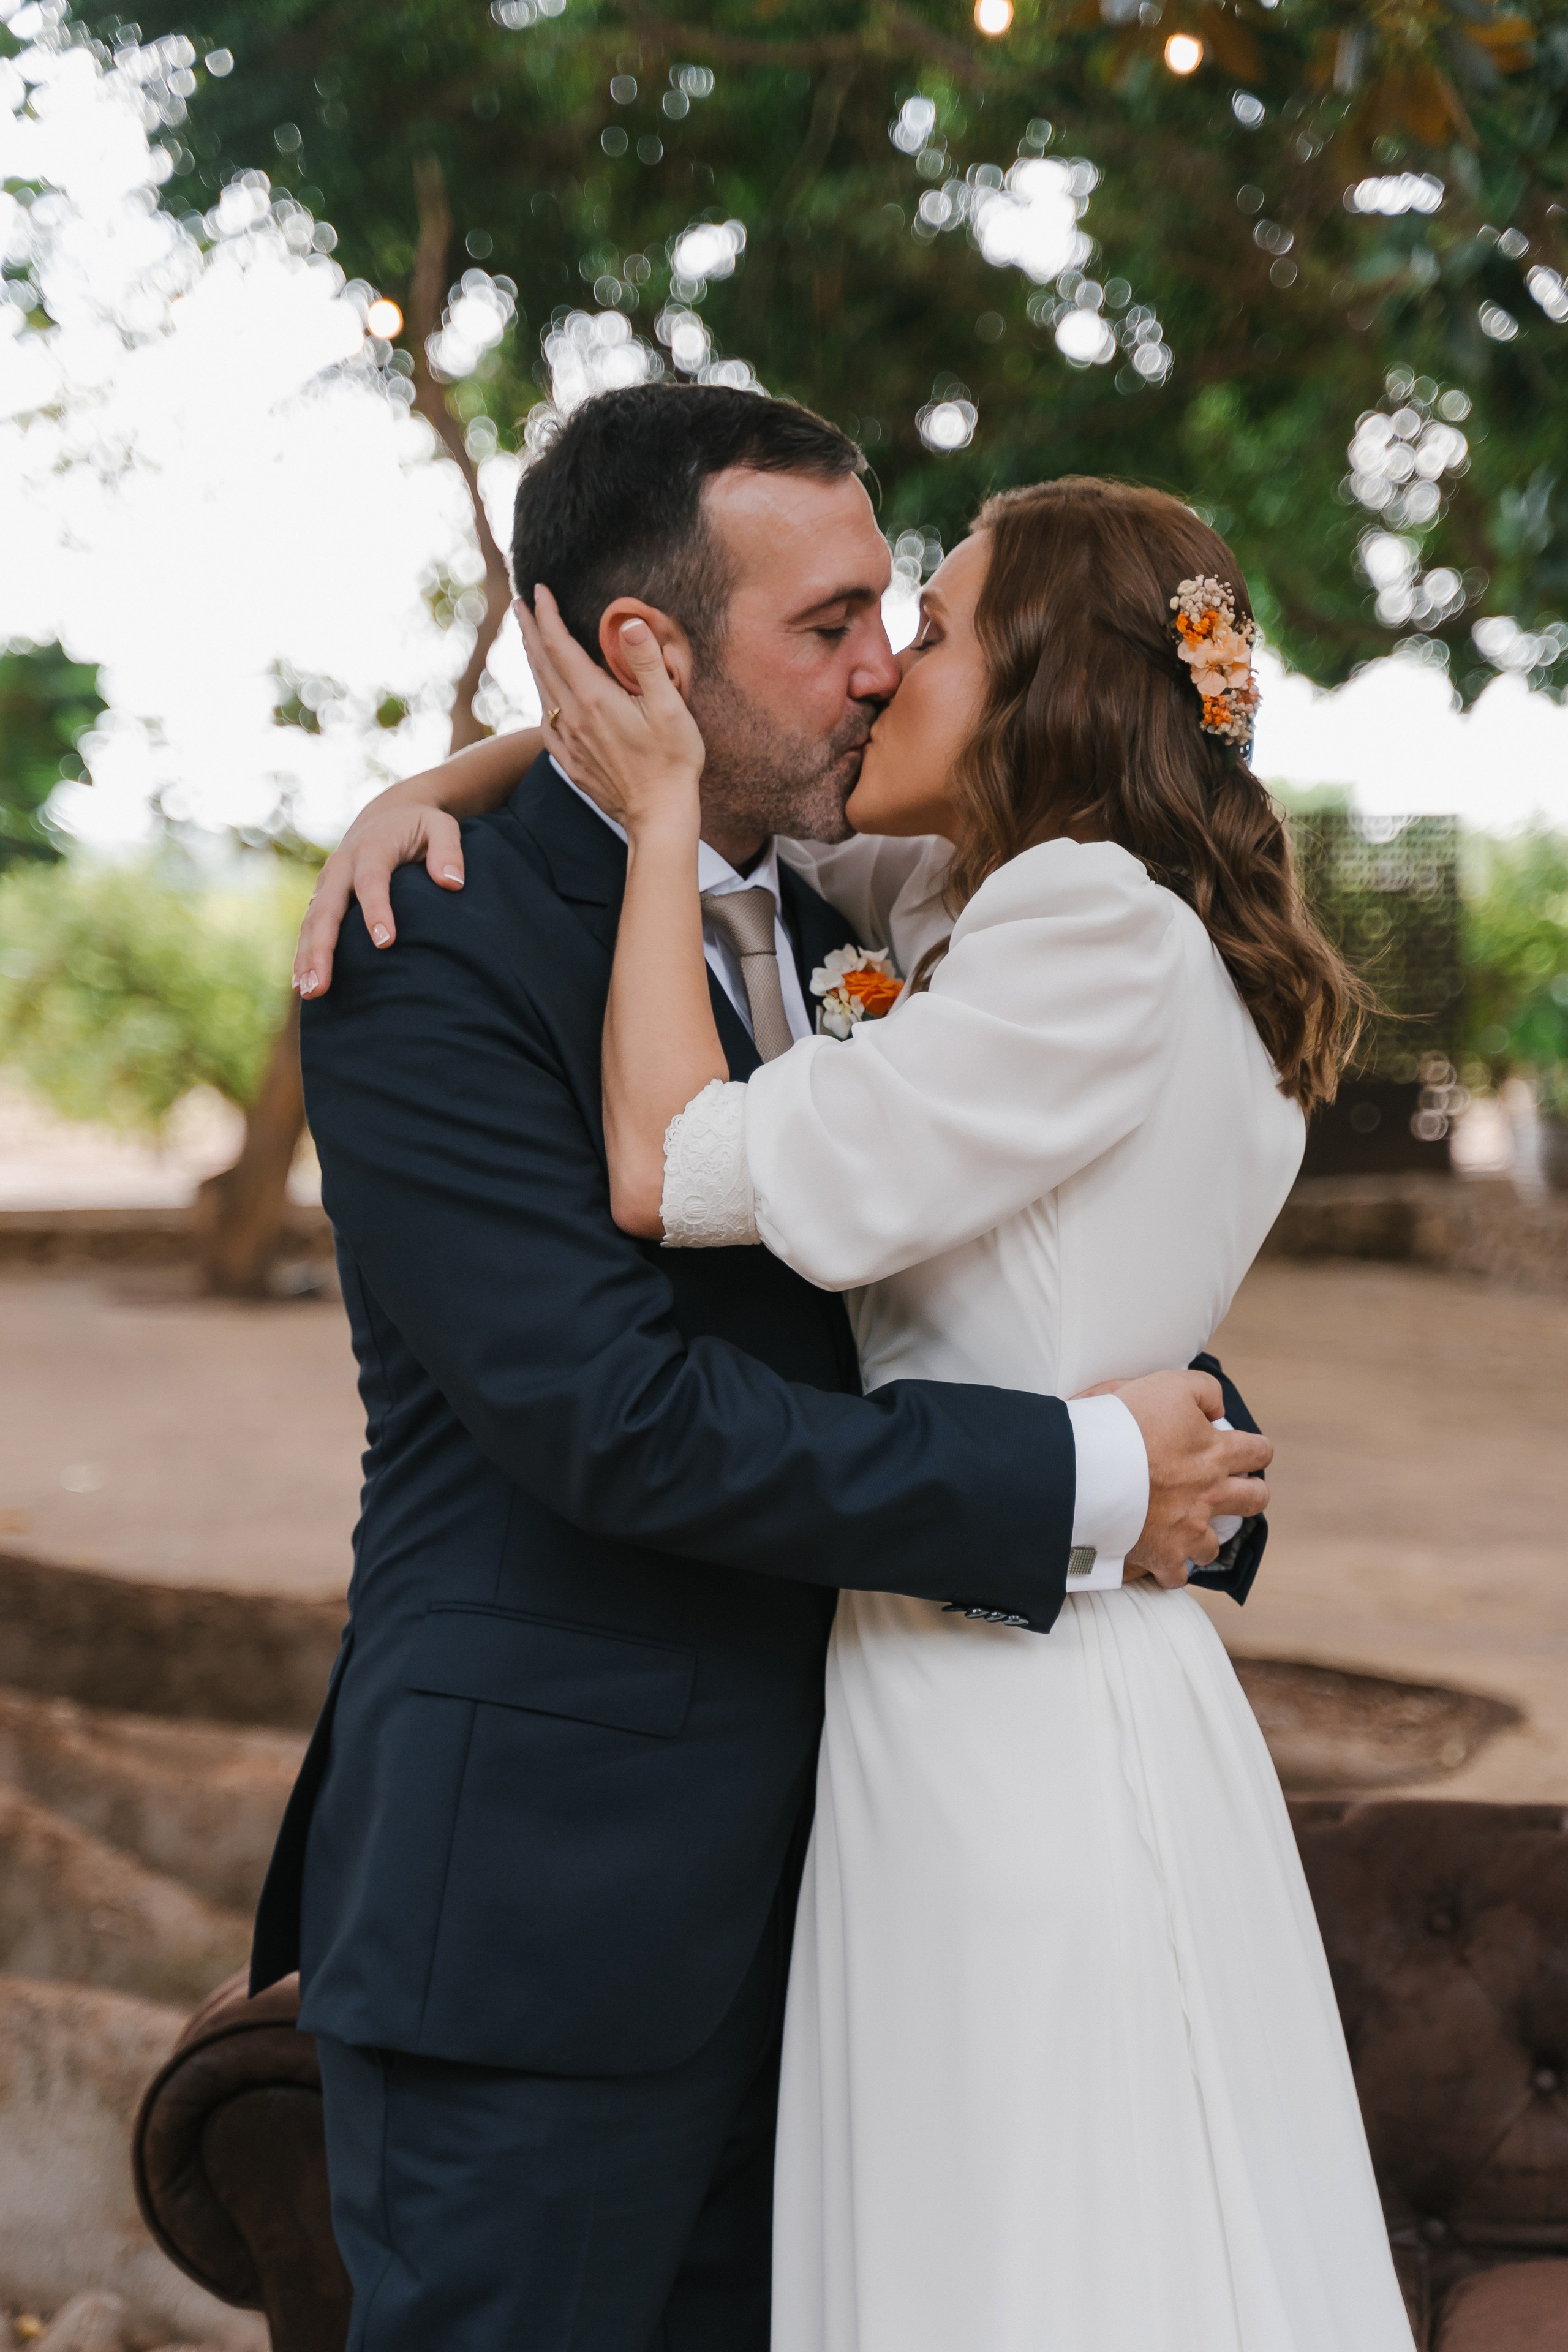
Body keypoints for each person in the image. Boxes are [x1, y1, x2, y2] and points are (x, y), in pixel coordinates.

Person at [265, 386, 1274, 2352]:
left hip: (866, 1916)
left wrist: (1174, 1464)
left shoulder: (852, 912)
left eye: (898, 611)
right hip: (552, 1932)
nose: (883, 664)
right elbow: (610, 1421)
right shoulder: (435, 943)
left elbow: (987, 1279)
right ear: (645, 654)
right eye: (828, 628)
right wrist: (1079, 1486)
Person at [502, 473, 1415, 2350]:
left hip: (1013, 1699)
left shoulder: (1083, 923)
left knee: (1030, 2251)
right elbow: (779, 833)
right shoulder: (1013, 908)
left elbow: (674, 1157)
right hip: (1009, 1652)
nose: (878, 670)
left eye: (931, 629)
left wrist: (665, 802)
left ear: (1045, 691)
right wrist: (415, 799)